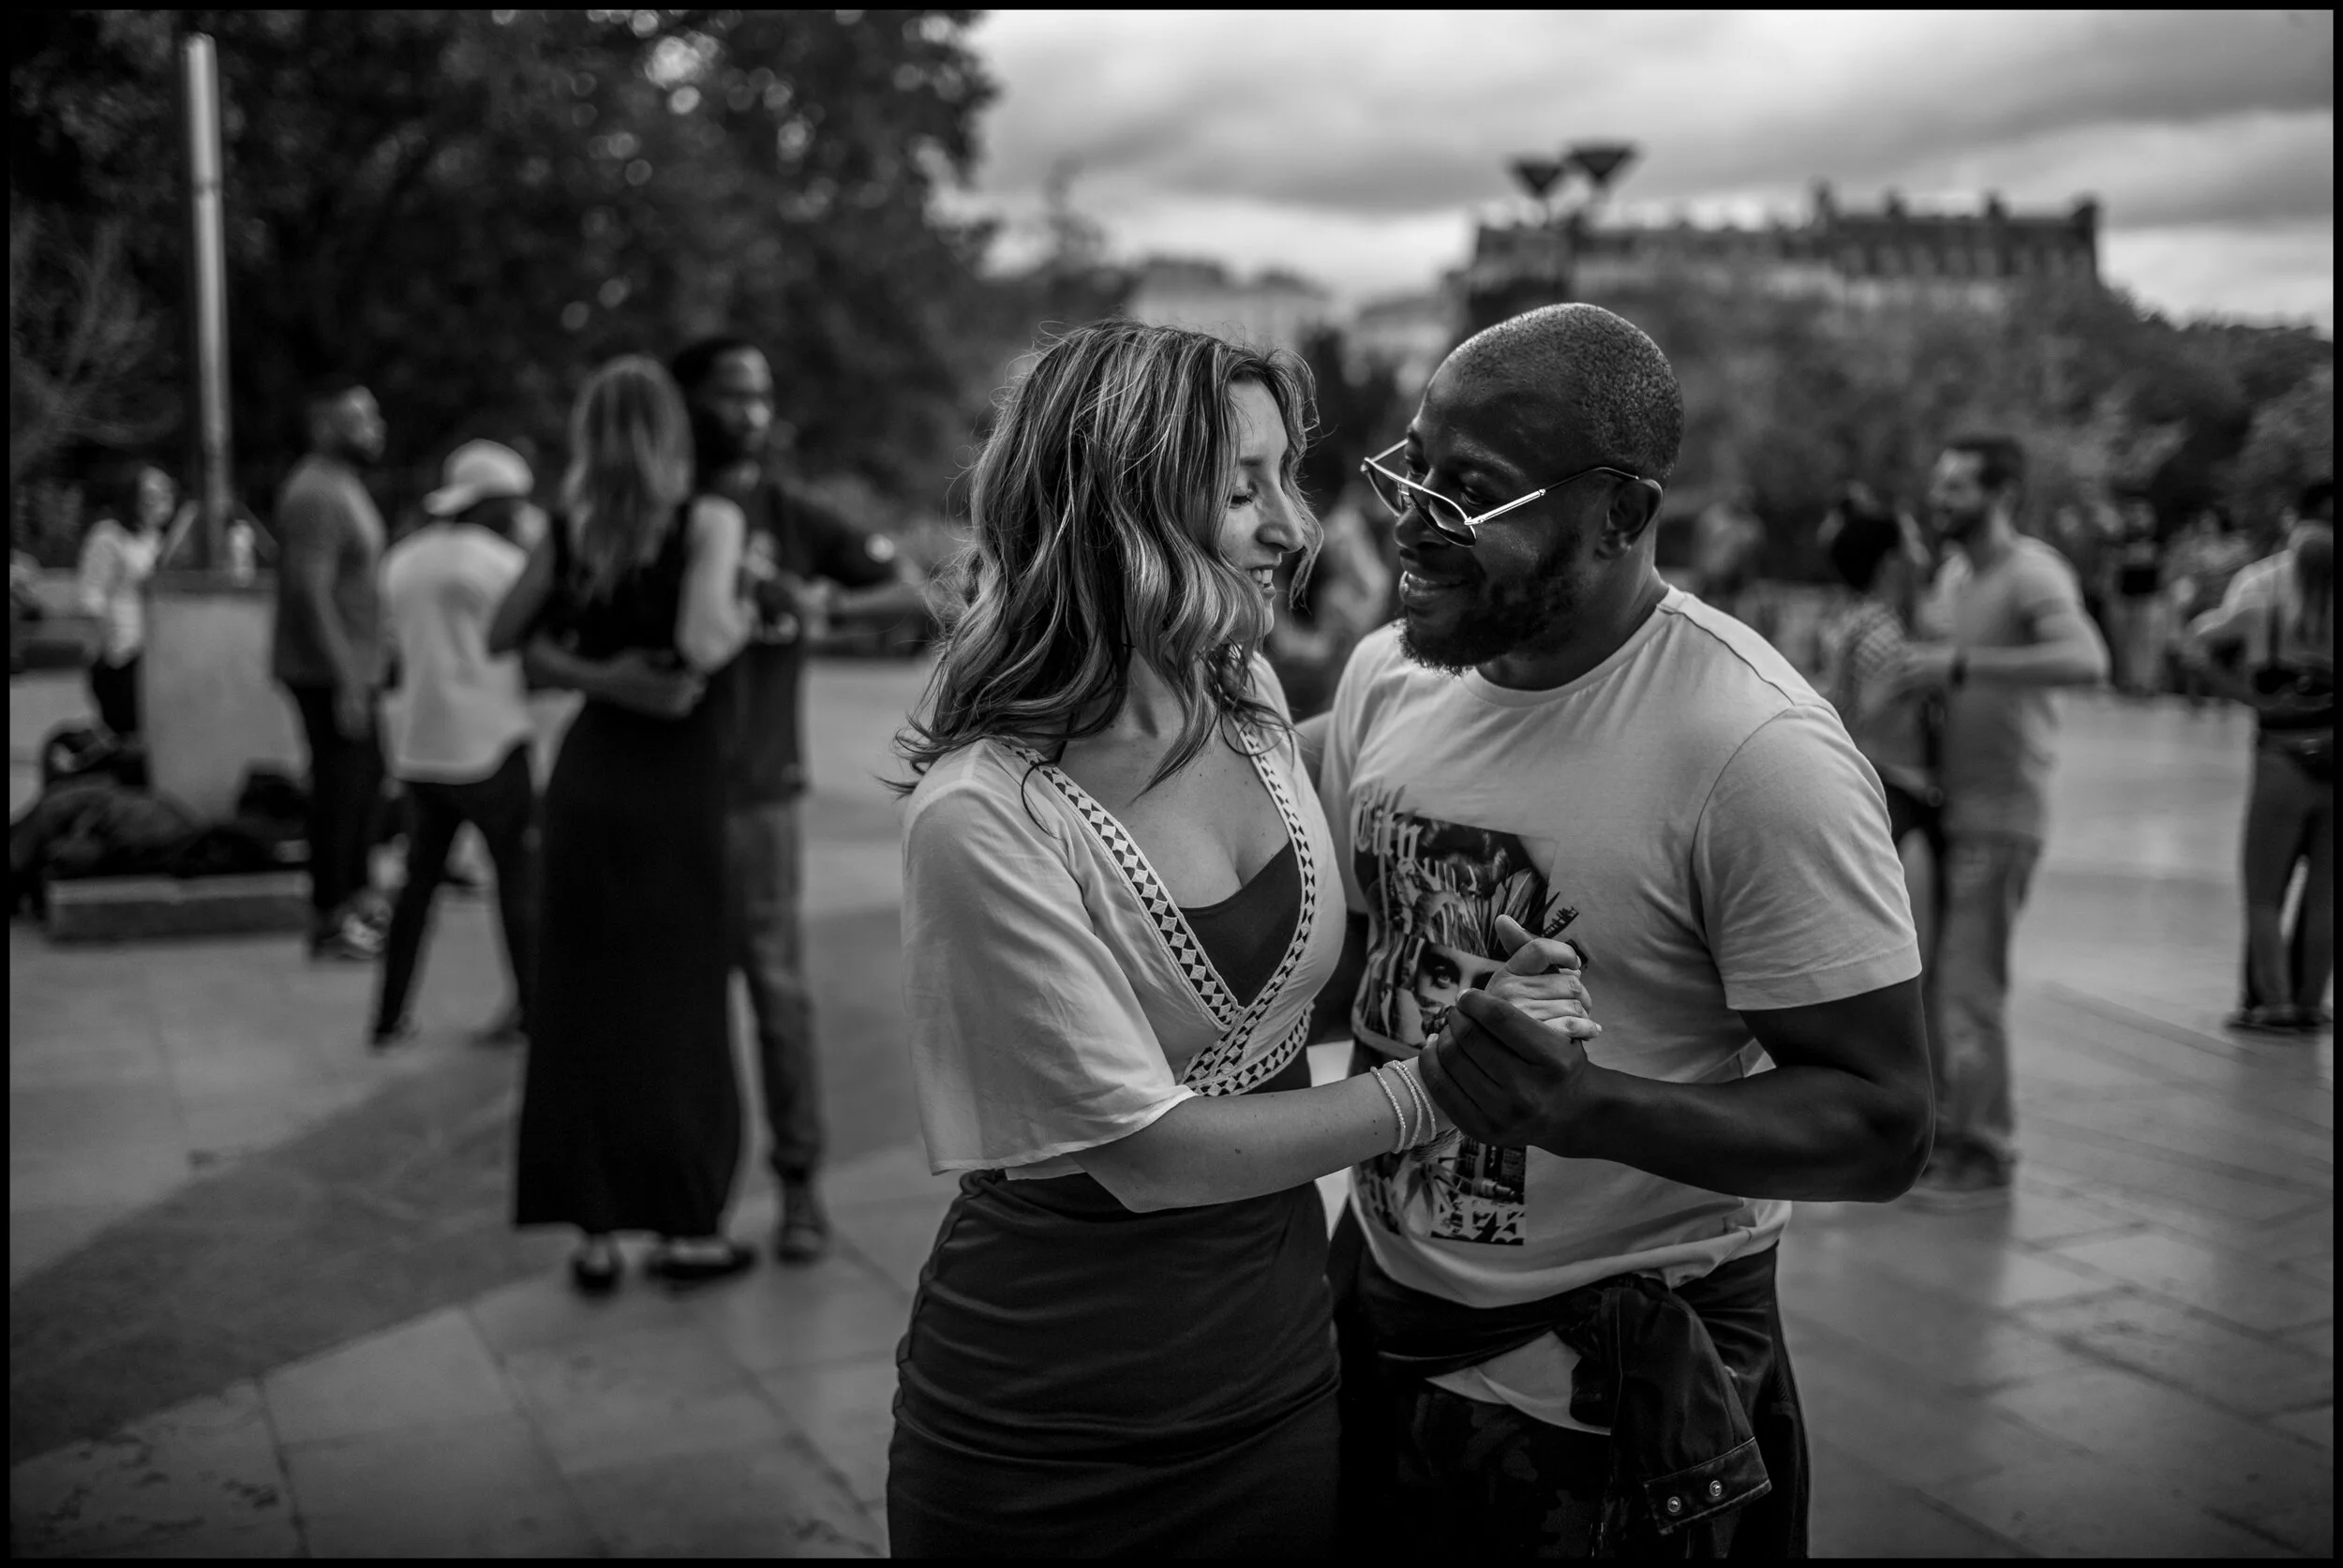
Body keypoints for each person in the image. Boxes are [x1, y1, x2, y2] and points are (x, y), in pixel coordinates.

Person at [885, 320, 1602, 1558]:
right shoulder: (982, 817)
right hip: (1049, 1408)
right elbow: (1153, 1156)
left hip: (1272, 1360)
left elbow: (1261, 1002)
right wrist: (1442, 1090)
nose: (1295, 526)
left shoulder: (1248, 698)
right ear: (1123, 517)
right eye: (1241, 489)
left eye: (1287, 476)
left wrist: (1465, 980)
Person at [1316, 303, 1932, 1559]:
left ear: (1620, 513)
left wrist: (1588, 1108)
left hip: (1610, 1410)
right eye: (1414, 466)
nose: (1413, 518)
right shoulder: (1390, 673)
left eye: (1471, 491)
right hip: (1375, 1334)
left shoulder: (1755, 752)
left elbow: (1880, 1124)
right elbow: (1360, 965)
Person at [490, 356, 758, 1292]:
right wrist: (750, 599)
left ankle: (595, 1232)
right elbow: (699, 645)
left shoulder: (568, 531)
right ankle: (687, 1227)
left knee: (582, 1008)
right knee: (681, 1006)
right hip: (672, 789)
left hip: (586, 782)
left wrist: (590, 670)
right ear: (673, 432)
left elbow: (503, 635)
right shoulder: (709, 521)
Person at [666, 336, 923, 1264]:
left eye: (762, 395)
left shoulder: (790, 514)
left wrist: (816, 605)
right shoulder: (654, 508)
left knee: (774, 991)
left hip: (756, 795)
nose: (752, 413)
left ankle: (800, 1185)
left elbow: (906, 593)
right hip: (656, 797)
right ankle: (685, 1201)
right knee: (674, 1000)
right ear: (683, 400)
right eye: (731, 394)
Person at [1896, 435, 2111, 1206]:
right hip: (1950, 807)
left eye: (1956, 486)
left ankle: (1985, 1148)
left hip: (2003, 812)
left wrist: (1959, 666)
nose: (1940, 497)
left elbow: (2088, 659)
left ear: (2002, 493)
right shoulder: (1955, 575)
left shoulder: (2034, 571)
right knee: (1937, 985)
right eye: (1939, 483)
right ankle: (1951, 1134)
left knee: (1967, 990)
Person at [368, 441, 544, 1052]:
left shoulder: (402, 560)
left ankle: (389, 1014)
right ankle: (530, 1009)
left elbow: (390, 651)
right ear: (493, 505)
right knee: (519, 882)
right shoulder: (501, 563)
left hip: (421, 750)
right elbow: (535, 638)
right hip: (492, 743)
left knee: (416, 886)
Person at [2182, 480, 2334, 1034]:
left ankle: (2272, 1002)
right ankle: (2313, 1002)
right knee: (2326, 896)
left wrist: (2244, 694)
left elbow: (2197, 642)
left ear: (2295, 519)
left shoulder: (2263, 585)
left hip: (2281, 756)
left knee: (2264, 891)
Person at [273, 375, 392, 962]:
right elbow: (309, 592)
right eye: (360, 417)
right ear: (325, 427)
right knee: (341, 792)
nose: (375, 427)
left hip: (356, 670)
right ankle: (330, 918)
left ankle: (360, 900)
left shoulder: (343, 487)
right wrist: (345, 676)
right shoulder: (316, 493)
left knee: (367, 783)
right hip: (327, 673)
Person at [75, 460, 174, 738]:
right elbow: (91, 597)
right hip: (120, 652)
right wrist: (106, 647)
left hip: (150, 652)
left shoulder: (158, 540)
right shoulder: (109, 537)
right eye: (152, 495)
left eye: (166, 494)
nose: (161, 502)